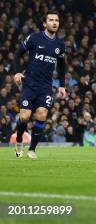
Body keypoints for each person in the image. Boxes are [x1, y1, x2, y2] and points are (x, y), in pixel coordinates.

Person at [12, 10, 67, 159]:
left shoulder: (60, 44)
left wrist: (62, 85)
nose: (54, 22)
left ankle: (32, 150)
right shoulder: (34, 38)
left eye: (56, 20)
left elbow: (62, 66)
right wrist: (17, 72)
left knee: (42, 115)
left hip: (45, 87)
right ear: (45, 23)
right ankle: (18, 141)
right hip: (29, 84)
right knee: (24, 117)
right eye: (51, 20)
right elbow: (17, 54)